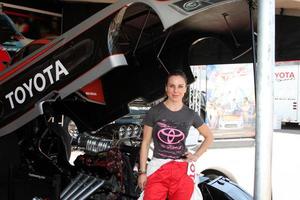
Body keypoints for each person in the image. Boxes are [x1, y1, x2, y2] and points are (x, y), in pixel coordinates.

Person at [138, 70, 214, 200]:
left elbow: (209, 137)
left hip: (182, 168)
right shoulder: (154, 112)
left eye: (180, 86)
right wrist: (142, 172)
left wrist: (196, 155)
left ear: (185, 89)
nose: (175, 90)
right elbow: (145, 143)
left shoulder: (191, 114)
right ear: (166, 88)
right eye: (172, 86)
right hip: (158, 167)